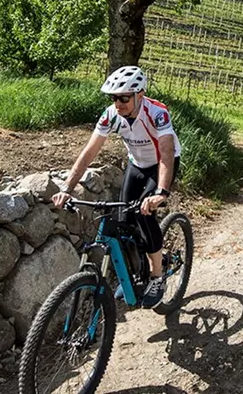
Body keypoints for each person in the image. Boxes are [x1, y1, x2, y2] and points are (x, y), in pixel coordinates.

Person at [51, 65, 182, 307]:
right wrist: (67, 188)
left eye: (124, 97)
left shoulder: (157, 112)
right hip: (137, 164)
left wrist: (161, 192)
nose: (118, 103)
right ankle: (135, 276)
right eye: (114, 98)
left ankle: (156, 276)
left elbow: (166, 152)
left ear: (139, 94)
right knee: (123, 223)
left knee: (145, 215)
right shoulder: (111, 115)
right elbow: (88, 152)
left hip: (161, 165)